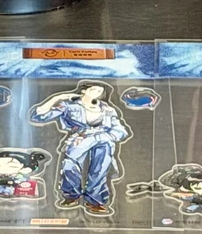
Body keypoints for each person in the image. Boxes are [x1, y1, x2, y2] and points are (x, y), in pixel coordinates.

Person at [30, 82, 130, 214]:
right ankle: (72, 196)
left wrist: (109, 136)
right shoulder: (69, 106)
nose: (97, 93)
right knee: (69, 166)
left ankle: (95, 201)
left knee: (100, 170)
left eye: (99, 91)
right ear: (83, 90)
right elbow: (39, 116)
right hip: (80, 138)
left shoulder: (108, 109)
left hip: (103, 139)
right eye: (93, 89)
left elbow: (120, 129)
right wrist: (57, 98)